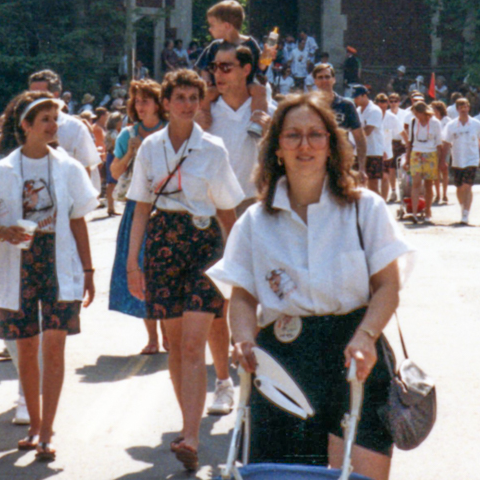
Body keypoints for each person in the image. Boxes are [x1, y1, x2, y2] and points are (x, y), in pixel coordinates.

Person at [208, 94, 413, 480]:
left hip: (356, 356)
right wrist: (243, 339)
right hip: (284, 363)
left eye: (316, 135)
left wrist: (367, 336)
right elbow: (242, 295)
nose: (305, 145)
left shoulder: (364, 208)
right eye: (293, 136)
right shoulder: (255, 220)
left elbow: (388, 286)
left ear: (332, 145)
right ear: (277, 148)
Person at [125, 69, 244, 472]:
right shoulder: (149, 149)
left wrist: (238, 263)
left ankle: (190, 435)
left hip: (203, 245)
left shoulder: (213, 148)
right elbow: (141, 207)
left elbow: (227, 211)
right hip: (162, 245)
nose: (188, 105)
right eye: (180, 97)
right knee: (176, 346)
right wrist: (132, 262)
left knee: (194, 344)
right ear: (166, 102)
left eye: (195, 98)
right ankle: (186, 422)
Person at [0, 92, 96, 462]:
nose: (52, 125)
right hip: (19, 262)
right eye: (44, 118)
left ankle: (46, 431)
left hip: (58, 261)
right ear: (25, 126)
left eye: (54, 119)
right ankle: (34, 423)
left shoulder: (68, 167)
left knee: (54, 345)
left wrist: (89, 271)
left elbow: (77, 219)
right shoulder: (2, 170)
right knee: (26, 346)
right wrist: (3, 232)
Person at [204, 40, 276, 416]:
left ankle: (262, 374)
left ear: (247, 69)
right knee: (221, 294)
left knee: (264, 293)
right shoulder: (206, 113)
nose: (219, 73)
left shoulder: (267, 111)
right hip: (218, 208)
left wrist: (270, 132)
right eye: (215, 67)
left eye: (227, 67)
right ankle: (222, 383)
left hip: (257, 208)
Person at [108, 80, 166, 355]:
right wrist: (132, 150)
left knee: (164, 270)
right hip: (137, 207)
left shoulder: (169, 131)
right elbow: (115, 172)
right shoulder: (127, 134)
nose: (141, 106)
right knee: (141, 268)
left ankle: (168, 334)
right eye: (137, 101)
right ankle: (153, 338)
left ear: (158, 103)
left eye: (146, 100)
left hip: (167, 205)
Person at [193, 0, 269, 137]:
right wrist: (207, 80)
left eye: (212, 25)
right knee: (206, 94)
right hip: (220, 86)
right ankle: (204, 119)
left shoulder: (250, 44)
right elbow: (204, 67)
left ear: (227, 26)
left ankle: (257, 121)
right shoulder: (215, 46)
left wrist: (266, 58)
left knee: (259, 90)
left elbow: (259, 68)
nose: (210, 29)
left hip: (246, 86)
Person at [310, 63, 367, 186]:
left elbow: (360, 138)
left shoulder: (346, 105)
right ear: (314, 81)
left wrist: (361, 167)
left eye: (327, 76)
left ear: (334, 79)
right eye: (320, 77)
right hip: (314, 162)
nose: (324, 80)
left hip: (340, 162)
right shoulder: (309, 106)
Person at [441, 98, 480, 225]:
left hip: (472, 159)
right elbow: (446, 143)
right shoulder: (451, 125)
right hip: (457, 160)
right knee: (460, 187)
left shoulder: (476, 123)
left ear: (469, 108)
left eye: (465, 107)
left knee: (467, 186)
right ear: (457, 109)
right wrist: (442, 160)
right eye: (461, 107)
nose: (463, 109)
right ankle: (462, 207)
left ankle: (466, 213)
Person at [403, 100, 442, 223]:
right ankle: (414, 212)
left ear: (423, 112)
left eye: (417, 113)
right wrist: (407, 159)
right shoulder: (413, 122)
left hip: (431, 153)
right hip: (416, 153)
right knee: (416, 182)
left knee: (428, 184)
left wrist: (441, 162)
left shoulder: (435, 123)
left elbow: (439, 144)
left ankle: (428, 211)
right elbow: (409, 142)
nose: (416, 116)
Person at [353, 87, 386, 200]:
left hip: (373, 151)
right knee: (358, 185)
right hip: (359, 152)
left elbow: (367, 131)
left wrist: (354, 131)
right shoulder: (357, 111)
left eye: (357, 97)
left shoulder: (375, 110)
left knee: (373, 186)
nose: (355, 100)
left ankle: (379, 213)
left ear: (364, 96)